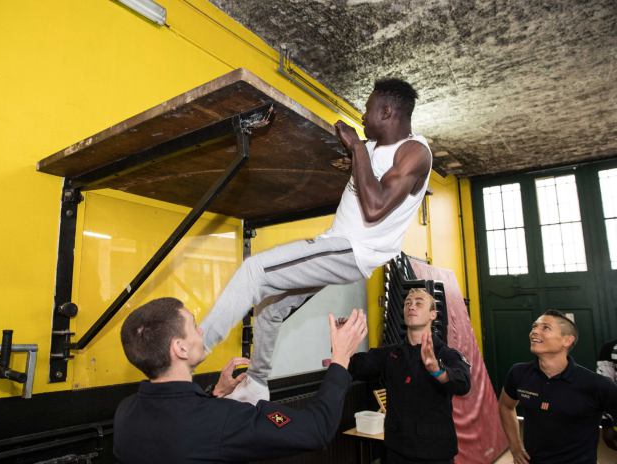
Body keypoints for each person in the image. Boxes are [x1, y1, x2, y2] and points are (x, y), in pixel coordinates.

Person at [200, 78, 433, 404]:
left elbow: (375, 207)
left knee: (254, 271)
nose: (362, 118)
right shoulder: (372, 148)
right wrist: (354, 149)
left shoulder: (414, 152)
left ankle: (197, 346)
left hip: (351, 249)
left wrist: (355, 147)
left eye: (367, 111)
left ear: (387, 111)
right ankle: (256, 384)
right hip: (340, 249)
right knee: (270, 311)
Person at [113, 297, 368, 464]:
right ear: (180, 348)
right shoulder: (221, 420)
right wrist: (341, 358)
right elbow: (316, 429)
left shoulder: (125, 413)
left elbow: (184, 430)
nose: (201, 330)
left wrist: (214, 395)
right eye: (193, 325)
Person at [348, 288, 471, 463]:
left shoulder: (446, 354)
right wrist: (343, 342)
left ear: (432, 315)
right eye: (408, 303)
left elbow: (463, 383)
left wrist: (437, 370)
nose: (411, 306)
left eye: (419, 303)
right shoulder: (390, 354)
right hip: (397, 452)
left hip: (436, 454)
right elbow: (354, 367)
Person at [498, 310, 617, 464]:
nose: (534, 331)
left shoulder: (596, 384)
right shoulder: (518, 373)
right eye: (534, 327)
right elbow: (505, 406)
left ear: (567, 341)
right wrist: (515, 447)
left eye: (545, 328)